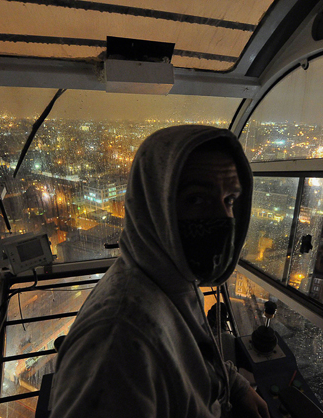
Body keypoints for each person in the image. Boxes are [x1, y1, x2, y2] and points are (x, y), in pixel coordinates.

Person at [50, 125, 269, 417]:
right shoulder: (117, 346)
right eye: (196, 199)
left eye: (229, 200)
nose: (223, 217)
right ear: (153, 205)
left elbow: (191, 354)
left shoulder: (172, 277)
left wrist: (236, 386)